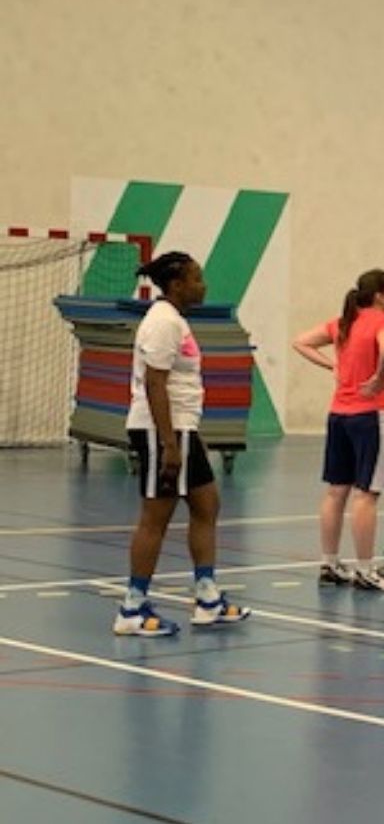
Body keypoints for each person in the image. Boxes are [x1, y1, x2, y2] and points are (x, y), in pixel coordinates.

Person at [115, 252, 250, 636]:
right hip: (163, 432)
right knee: (154, 519)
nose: (203, 285)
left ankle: (207, 598)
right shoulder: (162, 323)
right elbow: (155, 385)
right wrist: (170, 445)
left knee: (207, 504)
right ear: (177, 285)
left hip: (183, 430)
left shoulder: (175, 321)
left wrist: (184, 437)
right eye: (197, 278)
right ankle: (132, 608)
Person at [292, 269, 384, 592]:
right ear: (381, 294)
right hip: (372, 416)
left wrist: (333, 365)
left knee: (335, 491)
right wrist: (382, 376)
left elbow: (300, 341)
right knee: (367, 494)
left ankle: (329, 563)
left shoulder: (343, 322)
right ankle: (366, 570)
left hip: (339, 415)